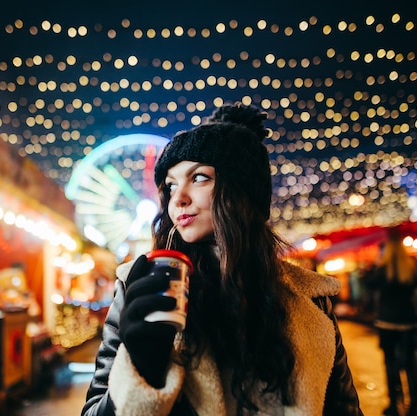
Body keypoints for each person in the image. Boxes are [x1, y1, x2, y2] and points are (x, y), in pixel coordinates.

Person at [82, 104, 362, 415]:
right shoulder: (144, 285)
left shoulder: (309, 298)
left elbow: (344, 408)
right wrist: (140, 368)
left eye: (199, 177)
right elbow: (94, 409)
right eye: (171, 185)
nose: (178, 198)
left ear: (242, 191)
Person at [363, 235, 417, 416]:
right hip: (409, 321)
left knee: (390, 363)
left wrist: (375, 263)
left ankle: (394, 403)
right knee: (410, 365)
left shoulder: (383, 270)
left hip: (387, 323)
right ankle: (414, 404)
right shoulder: (412, 267)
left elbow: (368, 283)